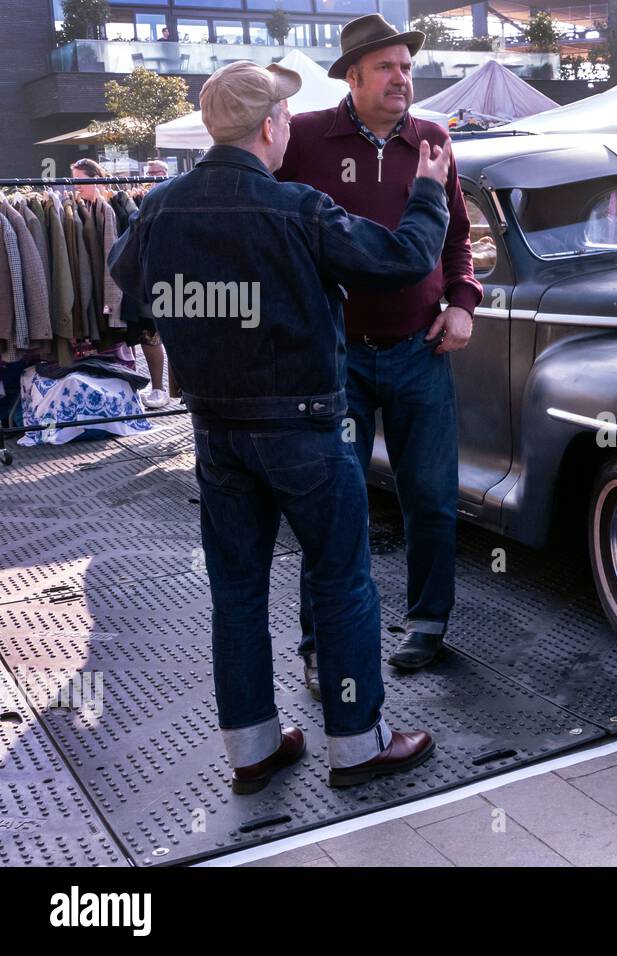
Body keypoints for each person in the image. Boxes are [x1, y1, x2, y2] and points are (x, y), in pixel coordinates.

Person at [108, 60, 452, 792]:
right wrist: (426, 193)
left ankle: (253, 750)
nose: (290, 127)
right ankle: (358, 745)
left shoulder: (162, 207)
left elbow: (126, 281)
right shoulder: (298, 209)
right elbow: (401, 259)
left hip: (215, 431)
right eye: (285, 118)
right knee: (341, 582)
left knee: (237, 590)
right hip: (305, 429)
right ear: (269, 127)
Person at [277, 13, 481, 696]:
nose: (403, 78)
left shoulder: (433, 138)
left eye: (407, 66)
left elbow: (457, 239)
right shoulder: (303, 138)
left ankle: (427, 623)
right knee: (334, 504)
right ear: (353, 76)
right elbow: (275, 233)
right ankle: (320, 641)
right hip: (336, 361)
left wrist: (462, 303)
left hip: (421, 351)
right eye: (388, 68)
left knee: (432, 497)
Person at [71, 158, 170, 407]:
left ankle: (159, 388)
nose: (75, 187)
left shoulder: (118, 204)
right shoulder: (85, 207)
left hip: (136, 282)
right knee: (127, 335)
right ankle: (133, 385)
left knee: (148, 332)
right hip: (118, 282)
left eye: (79, 180)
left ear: (95, 179)